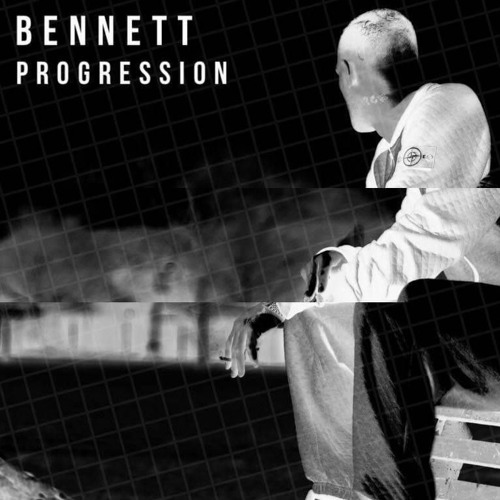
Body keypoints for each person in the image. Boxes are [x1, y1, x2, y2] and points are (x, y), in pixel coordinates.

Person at [224, 9, 500, 500]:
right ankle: (342, 488)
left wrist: (287, 304)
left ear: (350, 72)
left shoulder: (446, 109)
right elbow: (401, 247)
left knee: (375, 311)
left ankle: (375, 493)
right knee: (334, 312)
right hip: (468, 331)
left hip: (482, 336)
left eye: (338, 74)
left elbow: (407, 258)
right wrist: (309, 289)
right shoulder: (389, 156)